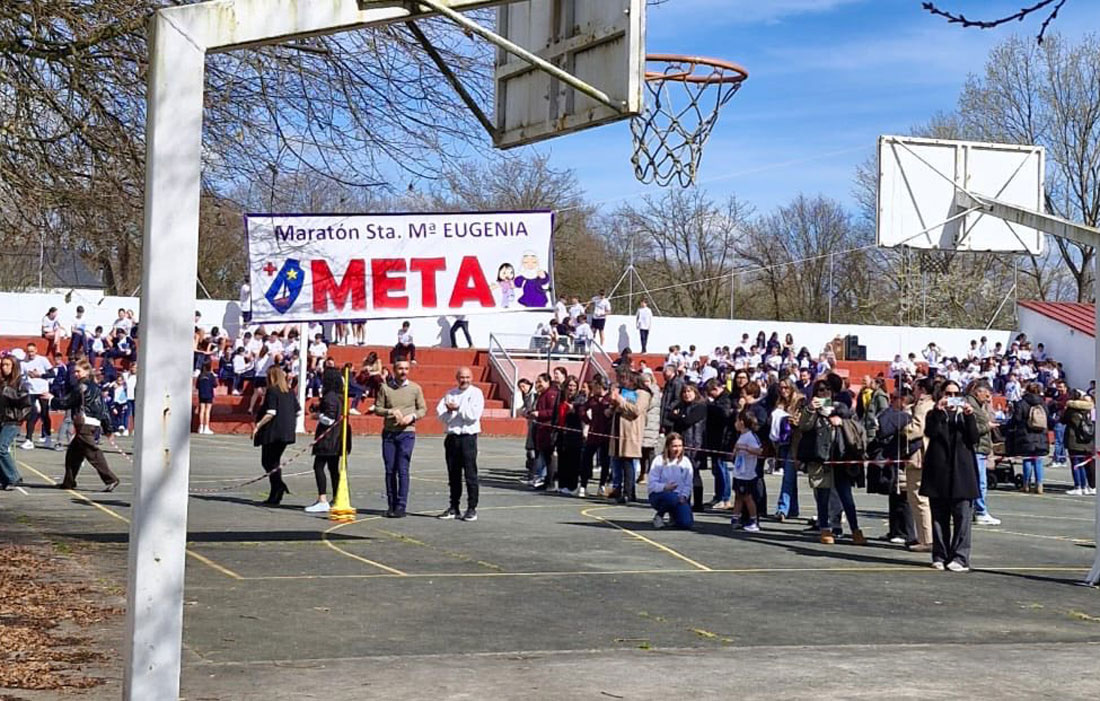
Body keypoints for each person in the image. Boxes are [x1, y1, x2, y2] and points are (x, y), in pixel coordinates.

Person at [920, 380, 979, 572]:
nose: (952, 398)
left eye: (956, 394)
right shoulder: (933, 414)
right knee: (939, 517)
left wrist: (969, 417)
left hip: (962, 473)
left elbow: (974, 438)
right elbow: (930, 432)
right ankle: (940, 555)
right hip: (939, 472)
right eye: (948, 394)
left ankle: (960, 557)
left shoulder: (965, 415)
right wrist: (939, 411)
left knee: (962, 517)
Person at [798, 381, 867, 545]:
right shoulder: (811, 411)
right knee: (823, 497)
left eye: (828, 389)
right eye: (821, 390)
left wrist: (842, 422)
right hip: (821, 460)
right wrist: (810, 409)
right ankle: (825, 529)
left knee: (847, 498)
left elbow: (858, 427)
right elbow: (804, 426)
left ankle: (855, 530)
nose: (825, 393)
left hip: (841, 459)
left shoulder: (842, 409)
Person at [53, 359, 118, 491]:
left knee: (92, 453)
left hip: (85, 424)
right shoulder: (96, 387)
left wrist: (51, 399)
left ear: (87, 371)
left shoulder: (81, 386)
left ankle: (111, 479)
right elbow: (104, 409)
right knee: (72, 455)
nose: (76, 374)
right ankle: (68, 482)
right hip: (91, 424)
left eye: (78, 371)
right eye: (74, 372)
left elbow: (66, 402)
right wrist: (108, 429)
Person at [372, 359, 427, 517]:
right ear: (394, 370)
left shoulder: (415, 388)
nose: (403, 372)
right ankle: (391, 505)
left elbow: (423, 409)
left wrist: (412, 417)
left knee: (403, 469)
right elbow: (377, 408)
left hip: (407, 433)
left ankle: (401, 506)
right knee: (390, 470)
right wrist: (390, 412)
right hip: (389, 433)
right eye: (400, 369)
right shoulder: (385, 388)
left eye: (406, 369)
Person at [436, 366, 485, 521]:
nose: (464, 380)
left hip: (468, 438)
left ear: (472, 378)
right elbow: (441, 415)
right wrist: (450, 411)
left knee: (470, 474)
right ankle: (454, 507)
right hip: (452, 438)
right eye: (462, 377)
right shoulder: (450, 393)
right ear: (457, 378)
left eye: (467, 377)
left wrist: (457, 408)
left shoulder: (476, 393)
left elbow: (473, 415)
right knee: (453, 475)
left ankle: (472, 508)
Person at [305, 368, 352, 514]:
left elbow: (329, 419)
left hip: (328, 439)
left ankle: (322, 500)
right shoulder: (339, 397)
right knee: (333, 468)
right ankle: (337, 497)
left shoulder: (330, 397)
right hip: (337, 438)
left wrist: (317, 416)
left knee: (318, 466)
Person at [251, 366, 299, 505]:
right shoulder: (289, 392)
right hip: (286, 431)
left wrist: (258, 426)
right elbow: (297, 410)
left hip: (273, 431)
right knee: (274, 461)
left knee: (268, 461)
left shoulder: (272, 391)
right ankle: (277, 490)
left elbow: (271, 412)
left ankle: (278, 487)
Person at [608, 369, 651, 503]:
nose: (623, 382)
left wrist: (621, 401)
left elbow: (637, 410)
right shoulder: (624, 391)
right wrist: (613, 405)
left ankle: (628, 492)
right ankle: (618, 489)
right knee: (618, 461)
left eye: (626, 379)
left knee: (628, 461)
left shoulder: (642, 393)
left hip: (631, 431)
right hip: (618, 430)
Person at [966, 381, 1001, 525]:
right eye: (986, 394)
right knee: (980, 482)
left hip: (981, 447)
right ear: (977, 392)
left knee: (979, 481)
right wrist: (988, 426)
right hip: (977, 447)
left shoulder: (980, 405)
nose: (987, 397)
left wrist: (988, 404)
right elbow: (973, 428)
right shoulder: (971, 406)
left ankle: (976, 510)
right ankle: (980, 511)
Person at [672, 382, 708, 511]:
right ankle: (685, 499)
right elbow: (670, 416)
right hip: (683, 443)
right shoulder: (681, 405)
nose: (687, 394)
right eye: (684, 392)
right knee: (683, 473)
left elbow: (688, 421)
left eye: (689, 391)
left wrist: (679, 416)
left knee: (694, 473)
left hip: (695, 443)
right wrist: (679, 416)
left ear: (695, 393)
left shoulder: (700, 407)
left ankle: (698, 503)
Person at [772, 378, 803, 522]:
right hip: (782, 442)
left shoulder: (800, 401)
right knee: (790, 478)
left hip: (795, 443)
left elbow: (803, 421)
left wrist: (793, 420)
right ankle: (793, 508)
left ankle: (782, 508)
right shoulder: (780, 403)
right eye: (781, 388)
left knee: (788, 477)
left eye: (786, 388)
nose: (783, 390)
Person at [648, 433, 695, 530]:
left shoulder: (686, 462)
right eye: (674, 446)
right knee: (672, 497)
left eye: (680, 446)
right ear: (668, 447)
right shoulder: (659, 460)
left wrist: (684, 496)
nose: (677, 449)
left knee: (686, 523)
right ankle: (659, 515)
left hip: (679, 497)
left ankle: (674, 516)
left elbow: (688, 484)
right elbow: (652, 484)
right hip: (659, 495)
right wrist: (665, 487)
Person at [1012, 382, 1049, 494]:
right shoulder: (1042, 403)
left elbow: (1017, 419)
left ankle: (1026, 484)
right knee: (1038, 460)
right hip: (1041, 435)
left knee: (1027, 460)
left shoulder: (1021, 403)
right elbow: (1047, 417)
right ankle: (1039, 485)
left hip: (1026, 434)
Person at [729, 412, 764, 532]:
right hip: (739, 472)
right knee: (738, 496)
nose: (735, 424)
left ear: (742, 422)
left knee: (747, 497)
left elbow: (759, 451)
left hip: (747, 474)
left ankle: (753, 521)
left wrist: (745, 448)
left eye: (736, 421)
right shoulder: (741, 435)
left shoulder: (750, 436)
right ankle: (735, 518)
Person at [0, 355, 30, 489]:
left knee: (1, 448)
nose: (4, 367)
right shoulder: (2, 382)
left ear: (14, 367)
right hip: (2, 420)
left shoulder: (20, 383)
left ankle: (14, 477)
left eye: (7, 365)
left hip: (12, 421)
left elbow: (26, 404)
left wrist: (19, 418)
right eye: (2, 365)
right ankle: (4, 478)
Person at [528, 372, 561, 491]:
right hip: (541, 429)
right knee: (545, 457)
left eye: (540, 382)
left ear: (547, 382)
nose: (538, 384)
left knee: (549, 457)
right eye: (537, 382)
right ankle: (547, 481)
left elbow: (553, 411)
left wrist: (539, 414)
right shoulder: (542, 394)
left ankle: (551, 482)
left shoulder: (551, 394)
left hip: (548, 429)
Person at [581, 377, 612, 497]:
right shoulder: (592, 399)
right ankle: (583, 486)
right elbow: (582, 410)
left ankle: (602, 486)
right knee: (586, 459)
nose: (593, 389)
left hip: (606, 434)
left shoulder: (609, 399)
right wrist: (587, 420)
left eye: (594, 386)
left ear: (600, 386)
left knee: (605, 461)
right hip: (593, 433)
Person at [20, 343, 54, 450]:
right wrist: (26, 379)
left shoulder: (42, 360)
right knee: (31, 414)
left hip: (43, 390)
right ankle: (29, 439)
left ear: (36, 350)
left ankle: (48, 437)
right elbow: (21, 376)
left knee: (44, 414)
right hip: (31, 391)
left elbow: (52, 373)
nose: (30, 354)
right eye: (28, 351)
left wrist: (40, 375)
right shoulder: (23, 363)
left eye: (32, 351)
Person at [1063, 390, 1096, 495]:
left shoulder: (1071, 410)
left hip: (1074, 441)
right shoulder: (1088, 409)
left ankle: (1078, 486)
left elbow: (1063, 420)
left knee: (1076, 464)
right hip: (1086, 440)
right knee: (1084, 464)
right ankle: (1085, 486)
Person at [638, 372, 663, 485]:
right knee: (642, 452)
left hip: (651, 424)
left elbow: (648, 405)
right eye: (643, 382)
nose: (646, 384)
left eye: (647, 381)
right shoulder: (642, 391)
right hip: (644, 424)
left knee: (650, 451)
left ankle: (652, 473)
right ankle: (643, 473)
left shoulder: (654, 391)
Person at [196, 361, 216, 435]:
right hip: (209, 394)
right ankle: (206, 427)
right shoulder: (211, 375)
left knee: (202, 410)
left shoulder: (200, 375)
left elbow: (197, 386)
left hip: (201, 394)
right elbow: (215, 384)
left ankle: (201, 427)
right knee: (207, 411)